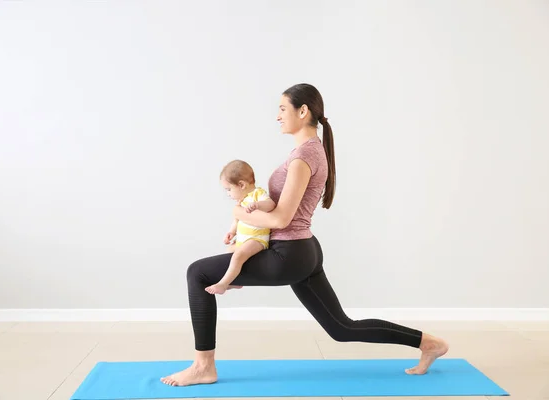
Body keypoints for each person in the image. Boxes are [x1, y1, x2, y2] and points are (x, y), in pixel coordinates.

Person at [161, 83, 449, 387]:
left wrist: (239, 214)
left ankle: (203, 366)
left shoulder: (302, 157)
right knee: (342, 328)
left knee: (197, 273)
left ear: (303, 111)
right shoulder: (310, 152)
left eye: (283, 109)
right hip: (304, 251)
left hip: (289, 254)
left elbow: (282, 217)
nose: (277, 116)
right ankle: (429, 343)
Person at [204, 160, 276, 295]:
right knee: (229, 252)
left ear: (241, 184)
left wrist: (258, 205)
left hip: (257, 239)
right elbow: (237, 219)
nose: (228, 194)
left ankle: (223, 284)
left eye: (229, 189)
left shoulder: (257, 194)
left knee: (238, 256)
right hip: (243, 239)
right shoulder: (242, 200)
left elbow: (270, 204)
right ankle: (236, 281)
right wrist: (231, 231)